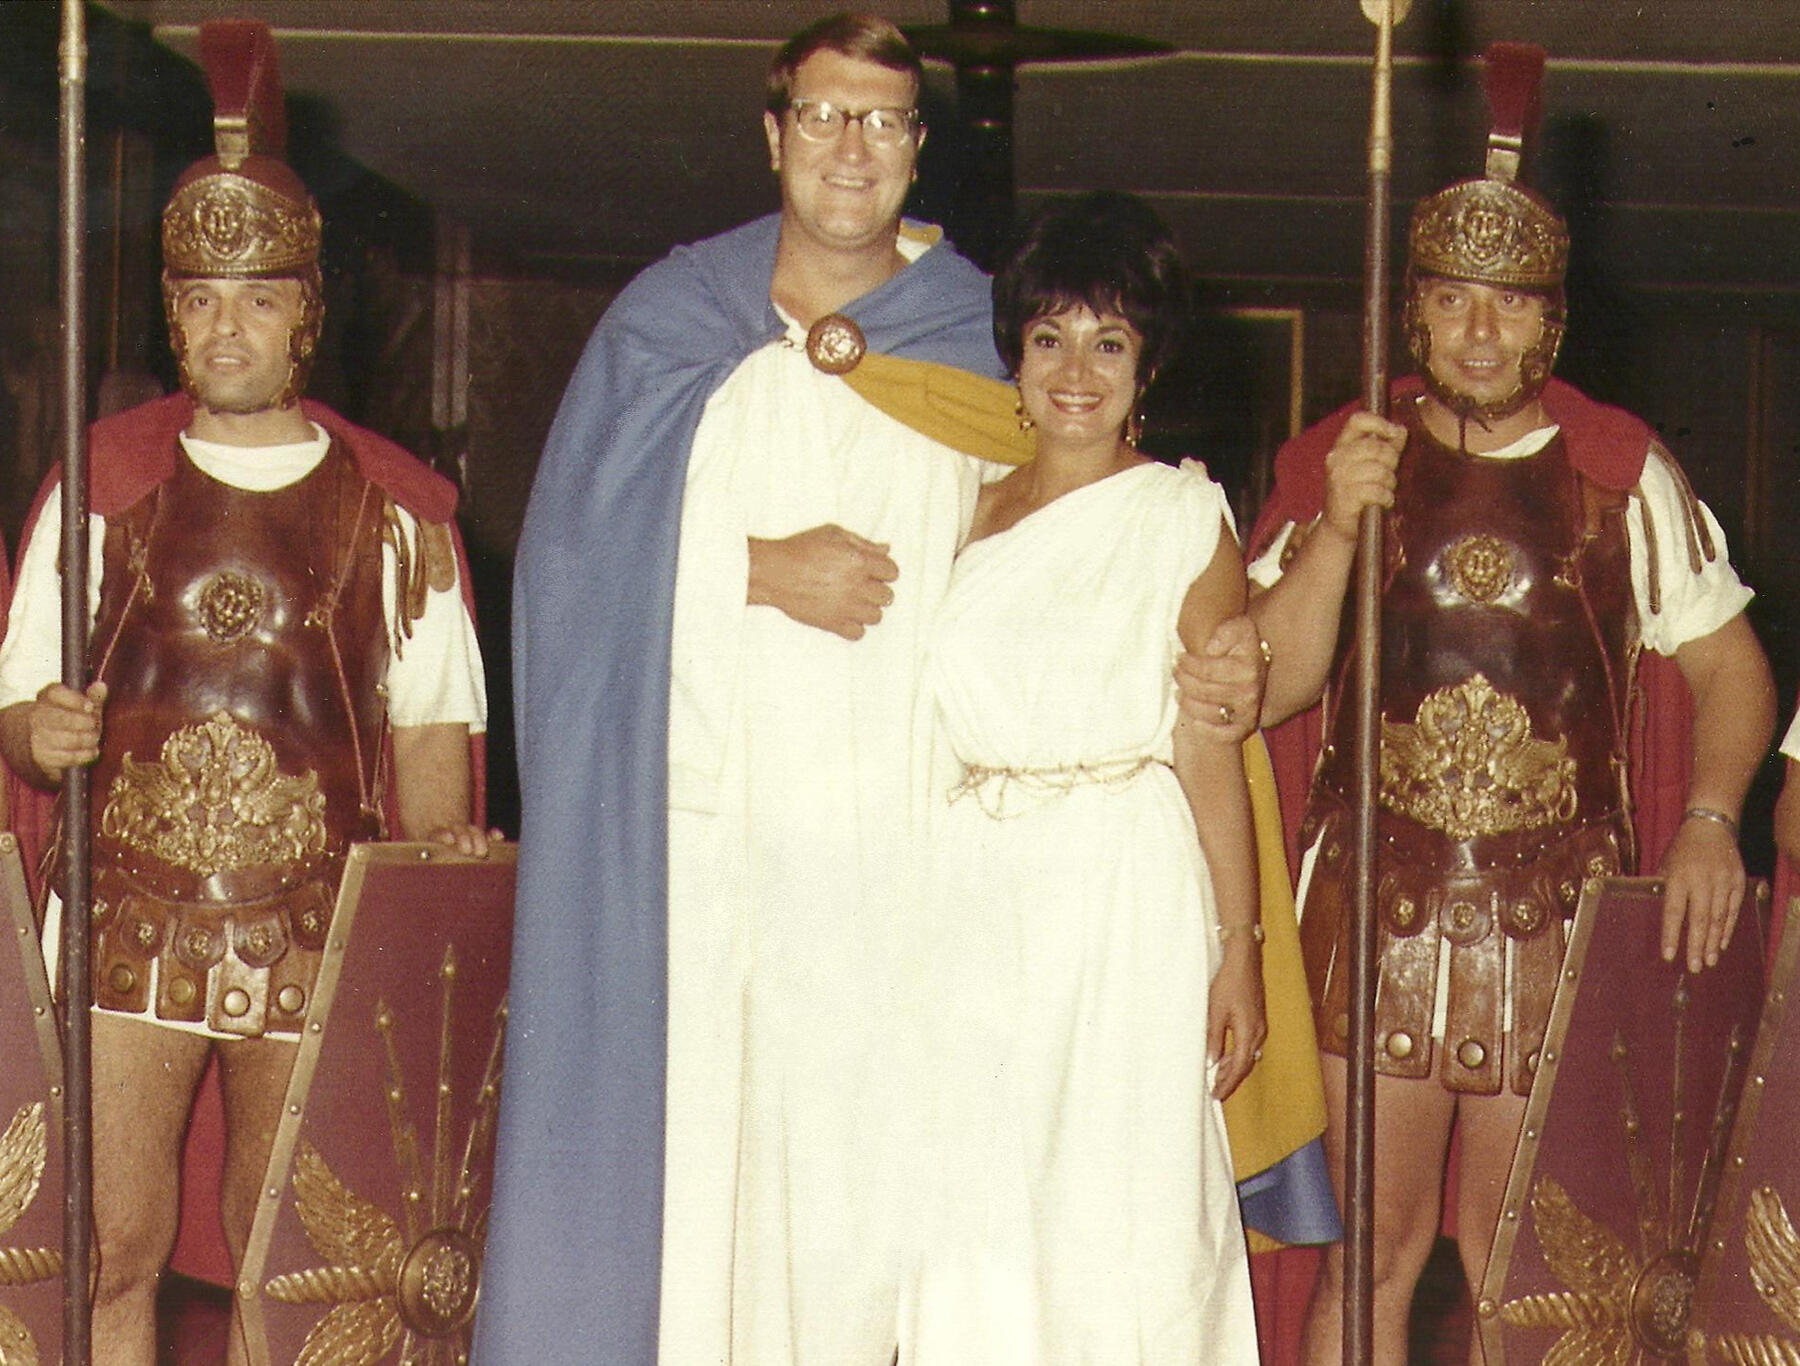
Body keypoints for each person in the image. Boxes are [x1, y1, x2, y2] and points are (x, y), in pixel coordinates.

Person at [1243, 47, 1776, 1366]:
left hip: (1561, 911)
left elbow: (1733, 668)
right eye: (1452, 300)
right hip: (1373, 903)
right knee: (1363, 1252)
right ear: (1414, 313)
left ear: (1553, 324)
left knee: (1526, 1268)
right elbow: (1266, 680)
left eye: (1512, 304)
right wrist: (1330, 533)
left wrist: (1710, 817)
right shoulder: (1341, 459)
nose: (1482, 330)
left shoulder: (1622, 475)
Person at [0, 23, 490, 1366]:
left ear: (304, 313)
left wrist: (429, 910)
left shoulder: (396, 510)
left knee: (312, 1265)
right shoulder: (100, 482)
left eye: (260, 297)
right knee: (101, 1241)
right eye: (204, 298)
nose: (230, 324)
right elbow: (18, 714)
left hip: (319, 925)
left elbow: (432, 746)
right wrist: (42, 733)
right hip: (126, 915)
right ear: (174, 313)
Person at [902, 191, 1264, 1363]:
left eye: (1109, 341)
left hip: (1122, 887)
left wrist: (1240, 941)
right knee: (974, 1206)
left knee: (1125, 1216)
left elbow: (1210, 741)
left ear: (1146, 363)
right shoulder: (948, 506)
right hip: (971, 889)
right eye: (1050, 335)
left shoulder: (1180, 515)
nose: (1075, 369)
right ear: (1013, 350)